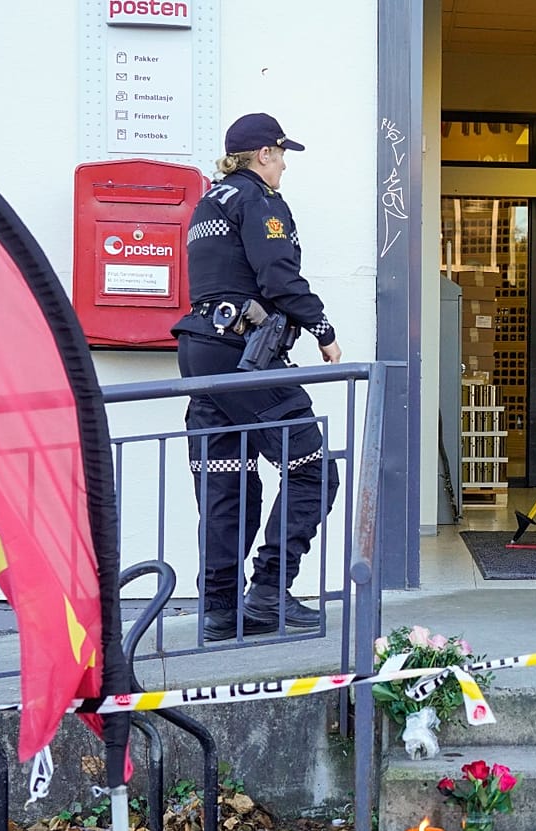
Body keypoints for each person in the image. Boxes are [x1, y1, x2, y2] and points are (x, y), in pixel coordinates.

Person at [171, 113, 342, 642]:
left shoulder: (209, 202)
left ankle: (220, 608)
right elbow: (277, 275)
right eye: (282, 154)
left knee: (229, 477)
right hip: (244, 354)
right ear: (264, 153)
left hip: (201, 351)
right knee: (313, 467)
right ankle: (269, 592)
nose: (285, 165)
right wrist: (323, 328)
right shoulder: (259, 200)